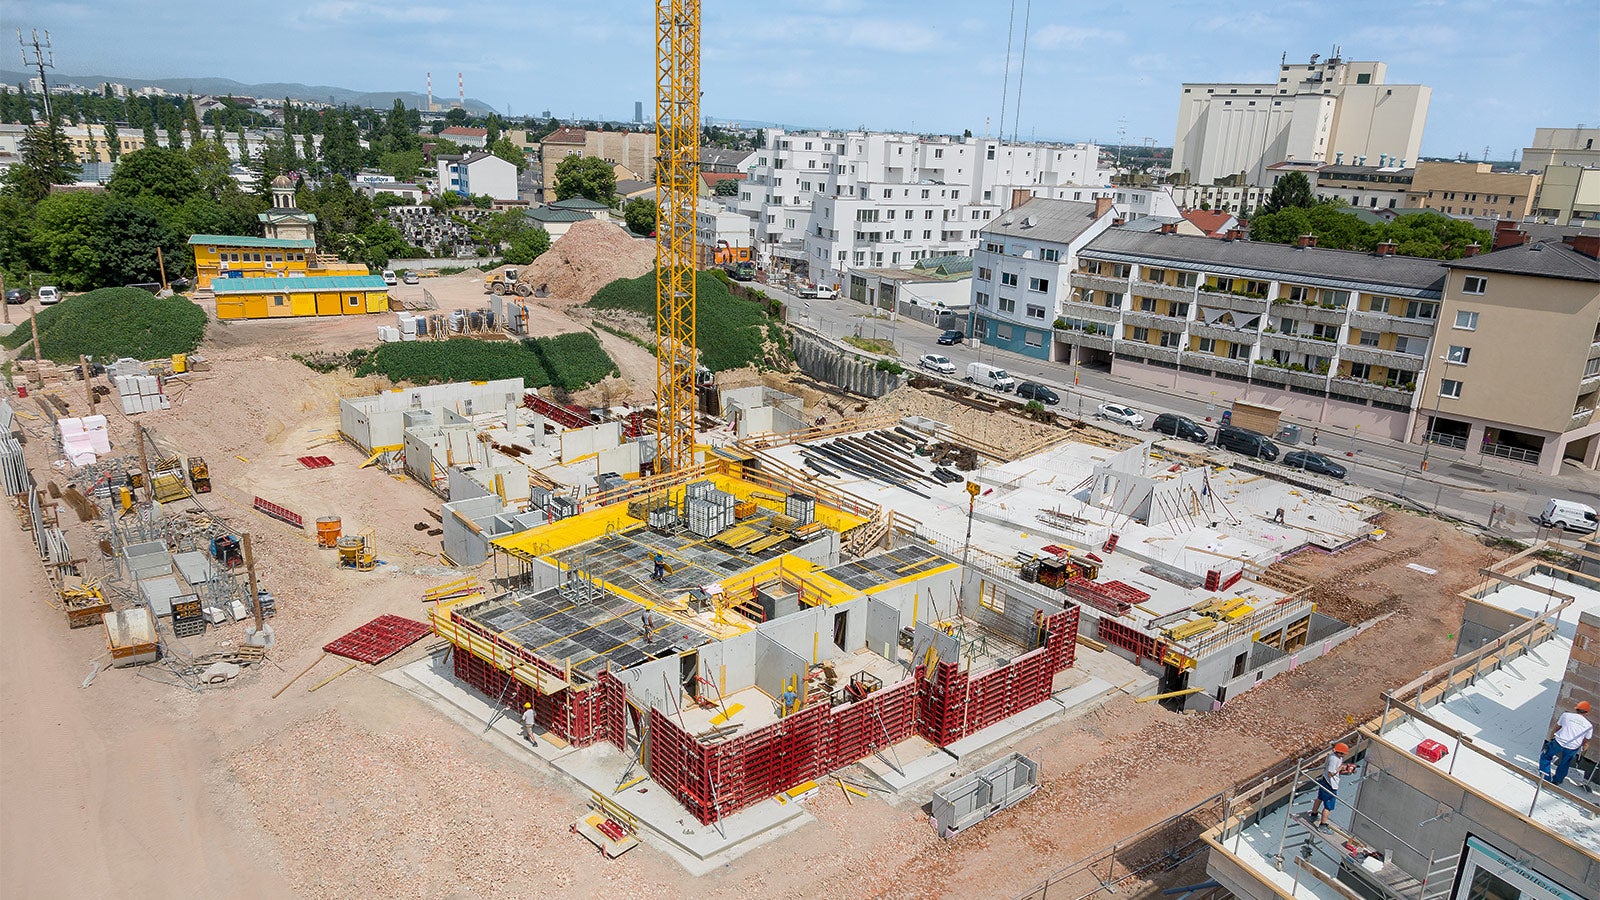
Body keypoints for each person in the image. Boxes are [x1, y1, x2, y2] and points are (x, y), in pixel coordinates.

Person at [1541, 700, 1593, 785]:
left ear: (1576, 709)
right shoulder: (1588, 726)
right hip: (1572, 747)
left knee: (1545, 756)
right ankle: (1557, 780)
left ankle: (1545, 778)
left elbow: (1556, 728)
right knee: (1565, 764)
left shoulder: (1566, 715)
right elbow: (1586, 743)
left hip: (1559, 742)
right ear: (1587, 713)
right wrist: (1581, 756)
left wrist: (1551, 739)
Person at [1309, 742, 1357, 832]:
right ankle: (1322, 825)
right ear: (1340, 752)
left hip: (1325, 781)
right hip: (1330, 785)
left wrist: (1348, 771)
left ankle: (1313, 815)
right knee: (1328, 807)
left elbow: (1336, 772)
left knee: (1319, 798)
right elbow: (1331, 773)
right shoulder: (1333, 759)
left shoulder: (1335, 757)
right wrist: (1340, 769)